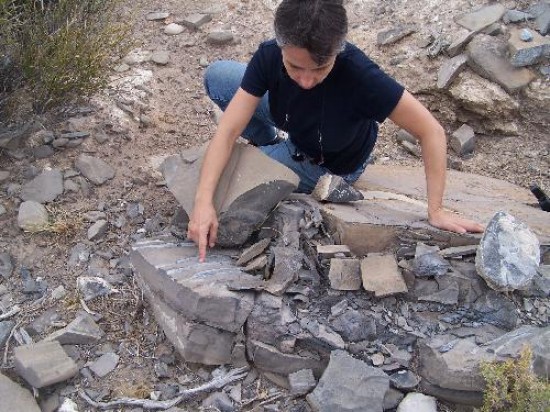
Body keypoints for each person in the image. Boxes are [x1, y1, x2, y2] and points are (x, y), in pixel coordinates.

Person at [188, 0, 484, 262]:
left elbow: (431, 130)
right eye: (294, 67)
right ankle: (267, 142)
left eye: (320, 69)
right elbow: (227, 132)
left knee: (234, 181)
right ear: (281, 46)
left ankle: (273, 154)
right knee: (219, 77)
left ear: (337, 51)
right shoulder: (269, 55)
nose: (306, 81)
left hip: (327, 162)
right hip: (295, 120)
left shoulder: (361, 76)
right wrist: (202, 202)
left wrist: (437, 210)